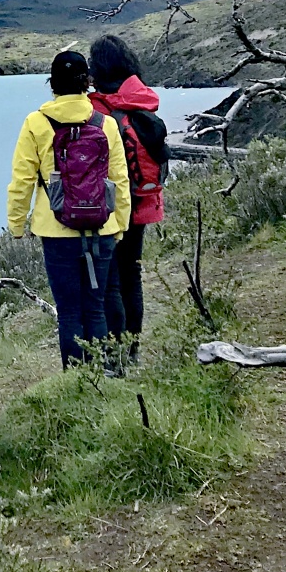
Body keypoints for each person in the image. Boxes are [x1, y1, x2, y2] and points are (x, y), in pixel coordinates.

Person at [6, 51, 131, 369]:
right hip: (101, 227)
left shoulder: (36, 123)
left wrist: (17, 224)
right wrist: (120, 224)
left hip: (56, 230)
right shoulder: (106, 124)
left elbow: (22, 180)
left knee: (70, 312)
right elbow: (119, 179)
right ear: (87, 84)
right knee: (96, 307)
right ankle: (103, 381)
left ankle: (76, 383)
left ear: (53, 85)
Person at [88, 34, 169, 366]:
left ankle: (112, 353)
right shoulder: (143, 100)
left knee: (111, 280)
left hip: (109, 205)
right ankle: (132, 348)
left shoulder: (97, 108)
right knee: (131, 274)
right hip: (143, 201)